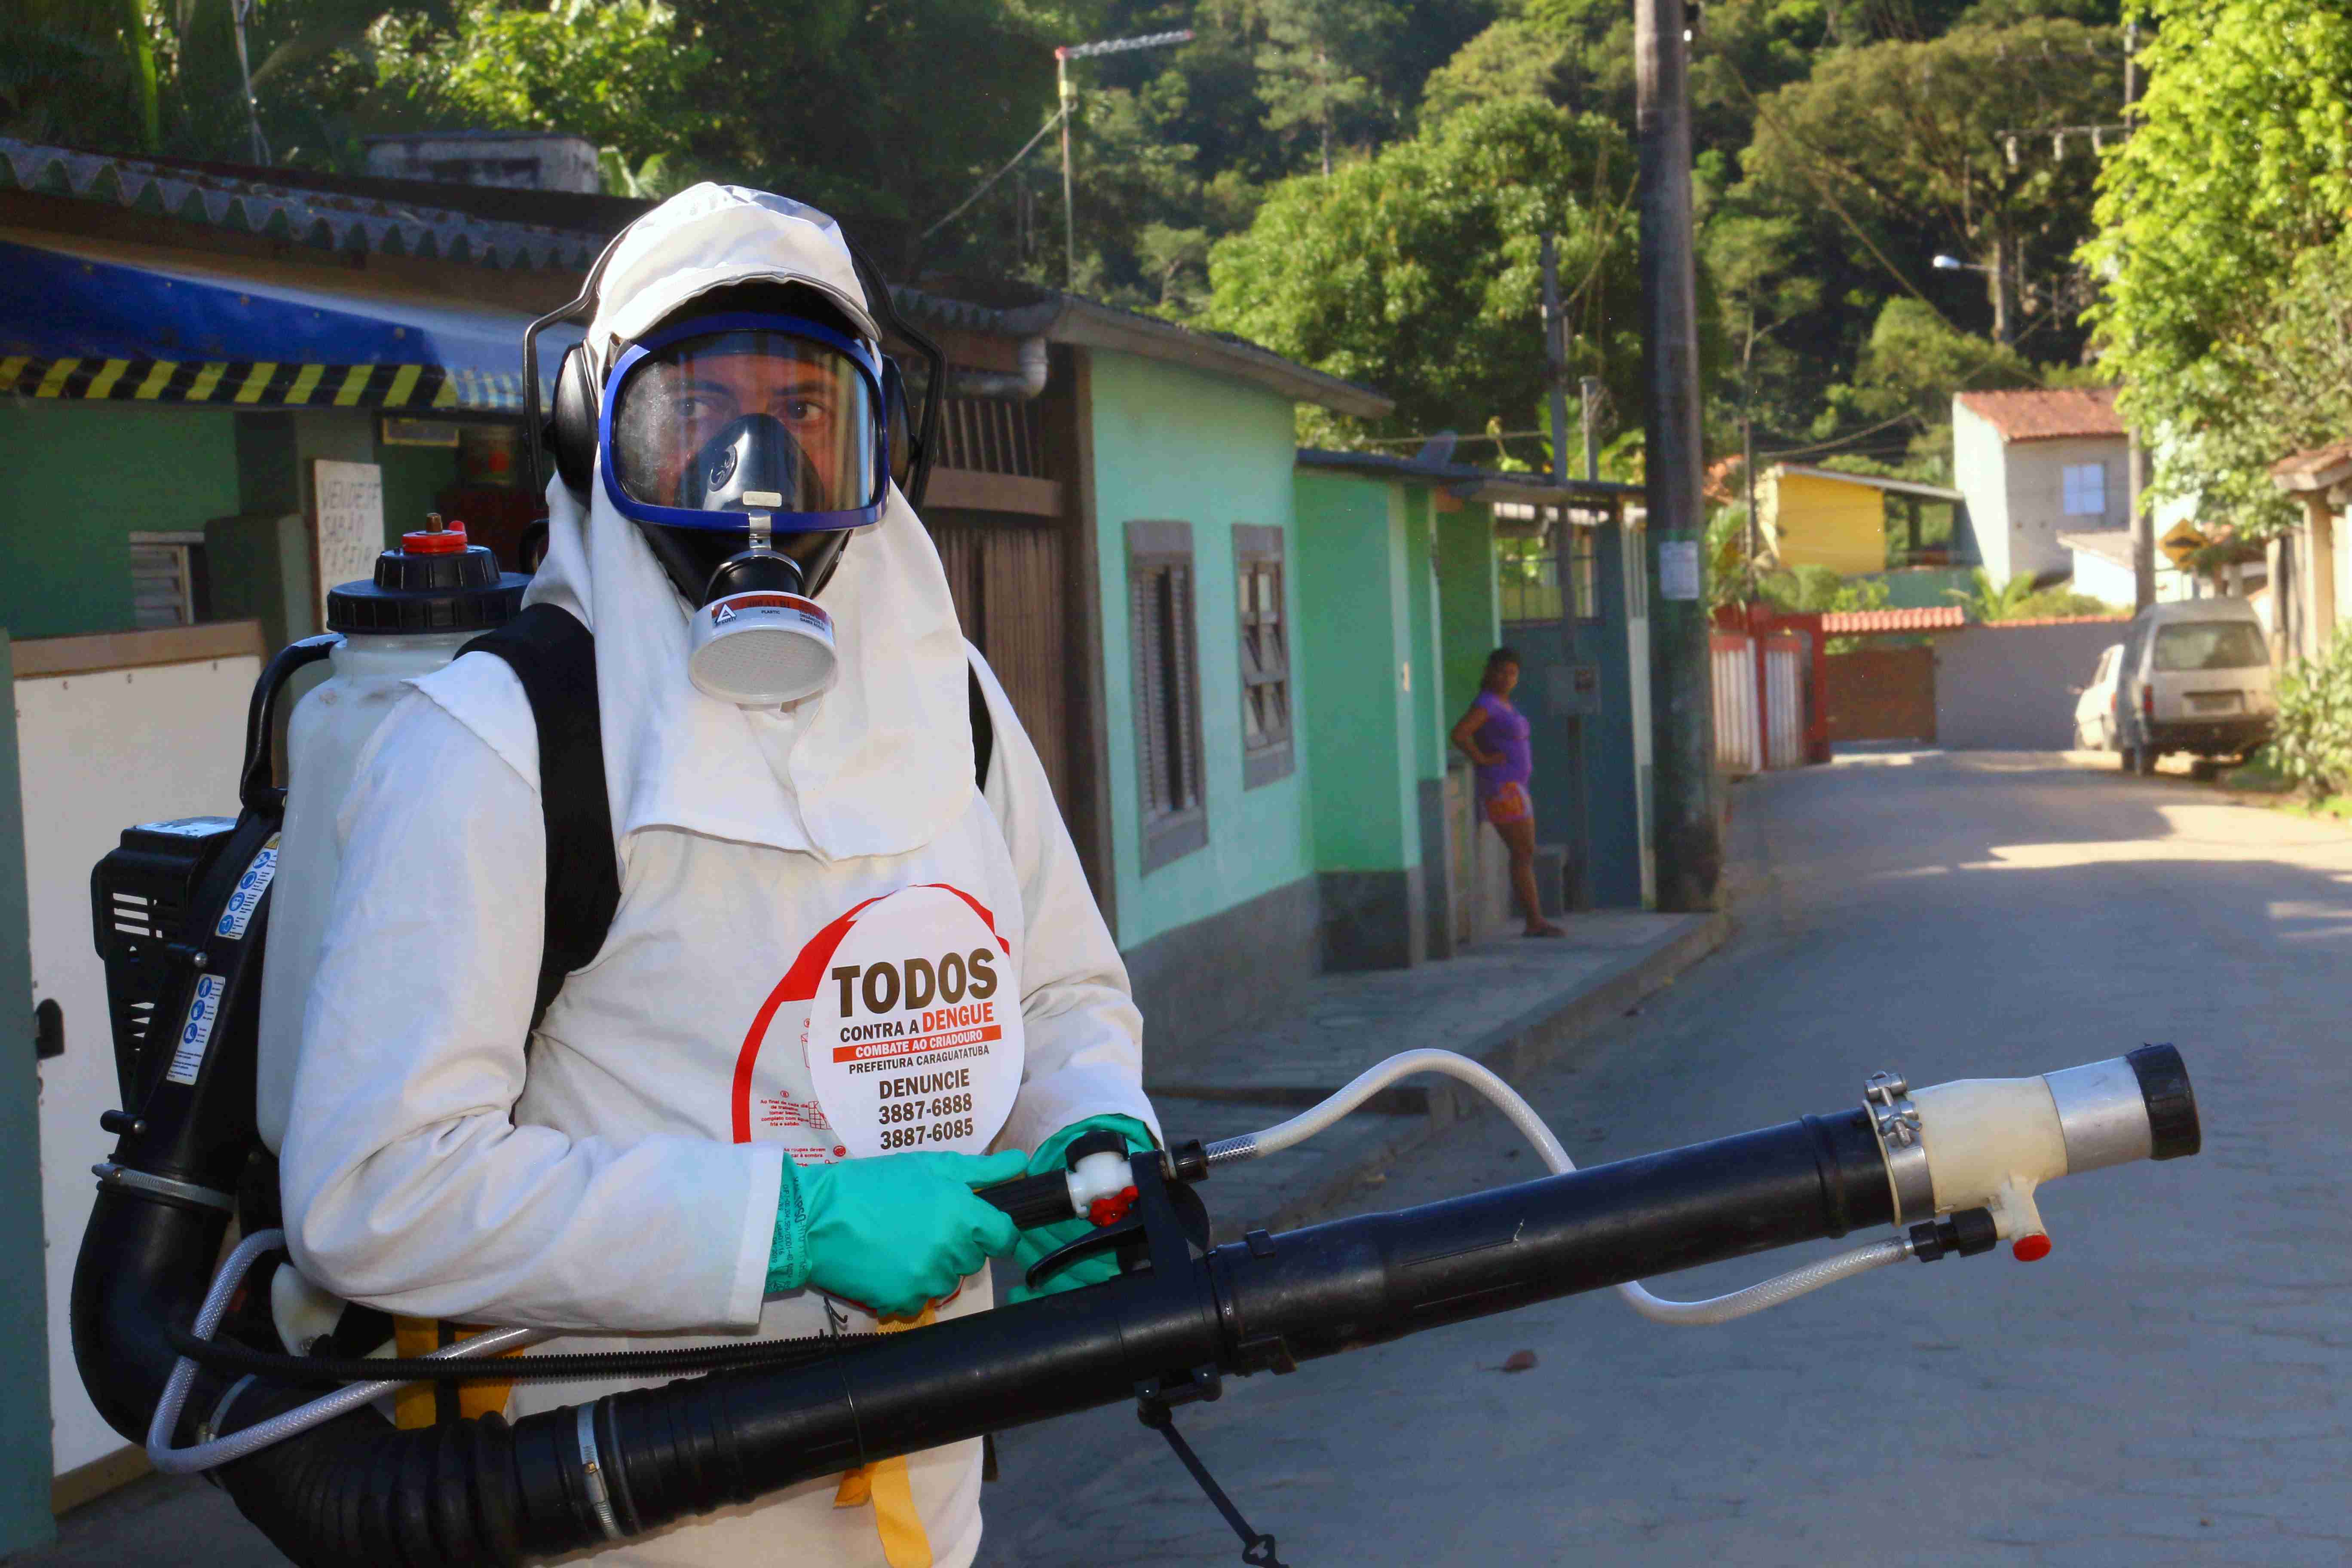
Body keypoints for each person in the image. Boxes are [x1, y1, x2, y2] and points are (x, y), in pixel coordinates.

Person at [276, 185, 1158, 1568]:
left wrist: (1096, 1134)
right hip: (627, 1519)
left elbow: (1060, 993)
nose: (754, 467)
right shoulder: (502, 742)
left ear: (879, 444)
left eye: (805, 415)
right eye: (697, 413)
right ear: (595, 430)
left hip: (927, 1504)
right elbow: (373, 1193)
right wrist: (785, 1225)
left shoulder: (952, 700)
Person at [1450, 647, 1565, 937]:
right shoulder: (1487, 704)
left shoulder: (1504, 704)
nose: (1506, 677)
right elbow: (1460, 733)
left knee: (1524, 852)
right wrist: (1483, 759)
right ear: (1490, 672)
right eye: (1501, 671)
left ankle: (1535, 919)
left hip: (1516, 786)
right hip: (1503, 787)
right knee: (1523, 851)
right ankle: (1534, 920)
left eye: (1512, 673)